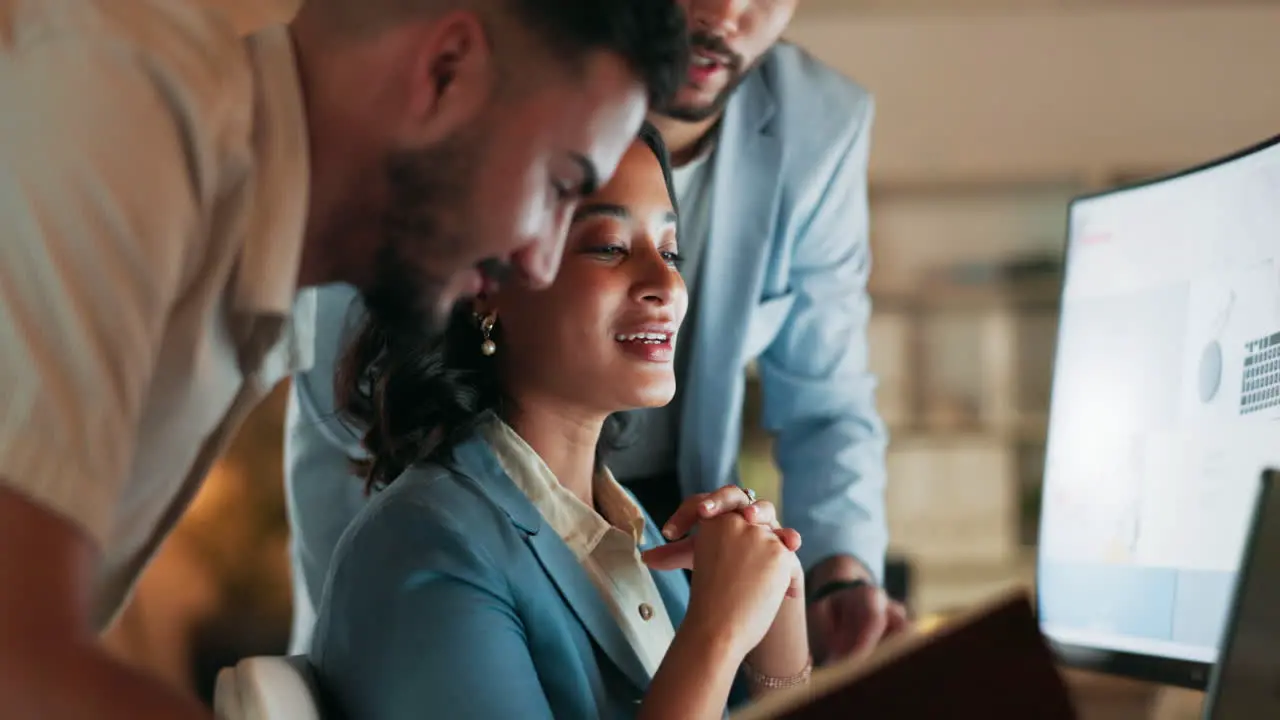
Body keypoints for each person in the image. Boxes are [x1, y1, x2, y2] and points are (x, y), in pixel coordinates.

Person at [0, 0, 689, 715]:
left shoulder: (266, 281)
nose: (537, 260)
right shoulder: (116, 105)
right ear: (447, 70)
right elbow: (17, 657)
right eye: (558, 185)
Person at [286, 0, 908, 663]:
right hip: (457, 502)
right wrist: (369, 648)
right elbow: (355, 408)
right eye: (606, 244)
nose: (727, 11)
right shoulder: (489, 81)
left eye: (673, 254)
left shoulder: (820, 128)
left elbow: (828, 403)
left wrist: (826, 581)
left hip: (651, 536)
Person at [310, 124, 812, 719]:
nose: (665, 284)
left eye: (671, 252)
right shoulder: (424, 544)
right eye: (609, 246)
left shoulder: (635, 532)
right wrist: (718, 634)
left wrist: (777, 613)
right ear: (484, 286)